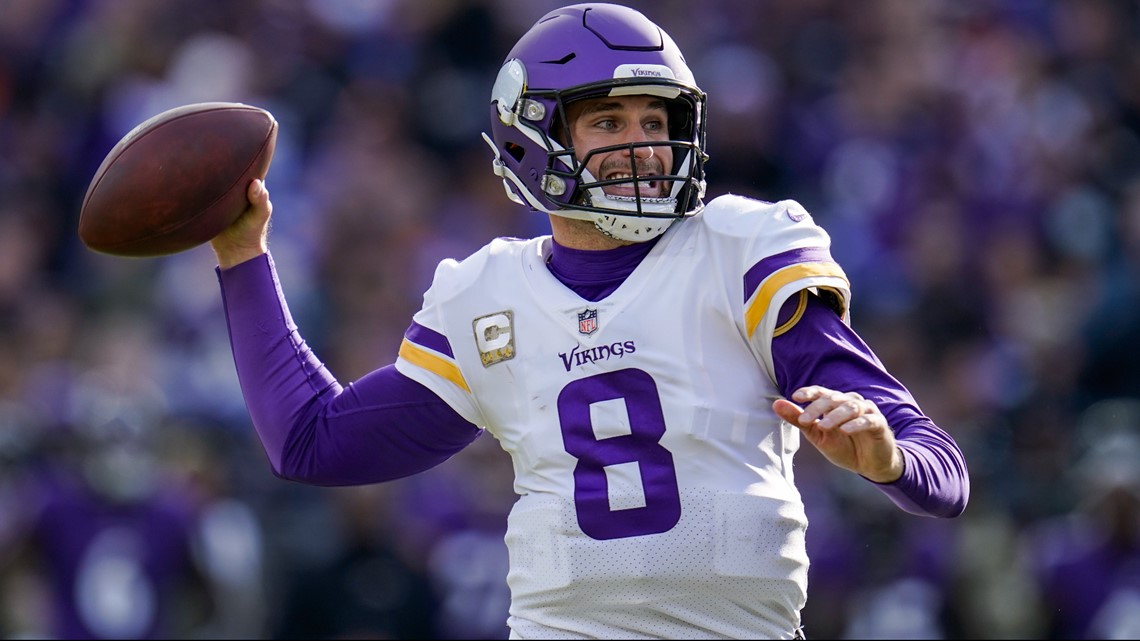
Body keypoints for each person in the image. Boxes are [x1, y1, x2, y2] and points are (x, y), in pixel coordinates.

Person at [209, 3, 969, 639]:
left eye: (654, 117)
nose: (641, 145)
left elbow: (943, 470)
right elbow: (310, 440)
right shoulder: (488, 296)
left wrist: (885, 459)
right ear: (532, 141)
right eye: (607, 122)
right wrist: (244, 258)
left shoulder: (740, 250)